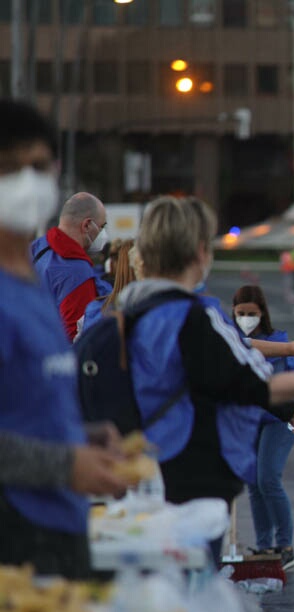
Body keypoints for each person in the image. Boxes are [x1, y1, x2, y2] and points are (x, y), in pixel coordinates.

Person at [121, 195, 294, 563]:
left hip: (128, 482)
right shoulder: (199, 322)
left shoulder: (113, 322)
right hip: (191, 480)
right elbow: (256, 386)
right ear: (201, 252)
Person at [0, 98, 129, 578]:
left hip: (61, 528)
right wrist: (64, 463)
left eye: (37, 167)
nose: (26, 183)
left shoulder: (32, 275)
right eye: (10, 169)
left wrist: (81, 436)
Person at [232, 284, 294, 571]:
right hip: (249, 419)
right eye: (240, 313)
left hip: (280, 418)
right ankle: (265, 546)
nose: (245, 318)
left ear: (262, 313)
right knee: (254, 482)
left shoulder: (278, 342)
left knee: (268, 478)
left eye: (251, 313)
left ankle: (285, 546)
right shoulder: (230, 341)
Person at [30, 191, 112, 341]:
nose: (103, 234)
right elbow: (78, 340)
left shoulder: (36, 249)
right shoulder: (78, 273)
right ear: (87, 225)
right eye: (102, 226)